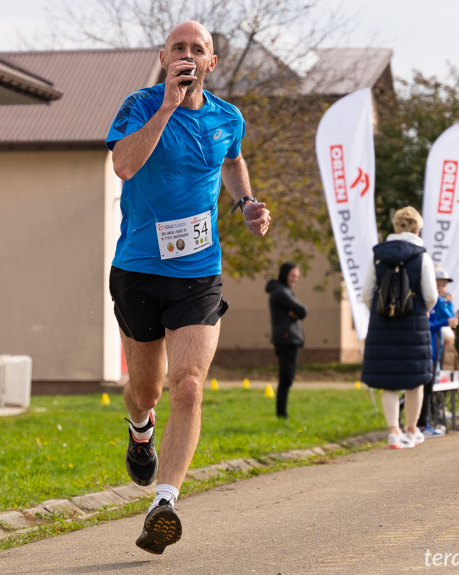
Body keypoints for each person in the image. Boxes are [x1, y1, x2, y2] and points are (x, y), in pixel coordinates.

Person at [105, 20, 271, 554]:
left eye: (197, 49)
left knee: (190, 384)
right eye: (178, 47)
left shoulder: (228, 118)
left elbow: (234, 159)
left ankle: (165, 502)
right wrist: (167, 109)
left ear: (211, 62)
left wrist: (245, 203)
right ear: (163, 56)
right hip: (139, 269)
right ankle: (139, 431)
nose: (187, 54)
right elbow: (124, 165)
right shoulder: (140, 104)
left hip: (198, 271)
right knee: (147, 390)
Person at [361, 206, 437, 449]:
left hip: (383, 324)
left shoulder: (378, 255)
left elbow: (366, 293)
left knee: (389, 380)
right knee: (415, 380)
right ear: (417, 229)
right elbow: (431, 295)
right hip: (413, 323)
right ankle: (412, 430)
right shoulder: (421, 256)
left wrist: (381, 310)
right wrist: (417, 309)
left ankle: (394, 432)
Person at [417, 266, 459, 437]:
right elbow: (427, 325)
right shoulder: (426, 302)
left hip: (436, 350)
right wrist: (444, 323)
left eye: (444, 285)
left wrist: (449, 303)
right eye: (438, 284)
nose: (442, 288)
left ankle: (423, 424)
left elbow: (451, 319)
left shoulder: (439, 301)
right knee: (422, 389)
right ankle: (420, 425)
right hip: (426, 350)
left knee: (428, 389)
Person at [266, 262, 308, 419]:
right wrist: (297, 313)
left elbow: (299, 311)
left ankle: (282, 413)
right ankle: (281, 414)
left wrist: (296, 314)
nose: (295, 279)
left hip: (289, 338)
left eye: (296, 276)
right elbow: (303, 310)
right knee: (286, 378)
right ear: (284, 274)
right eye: (292, 275)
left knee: (287, 378)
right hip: (286, 339)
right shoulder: (280, 293)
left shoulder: (285, 291)